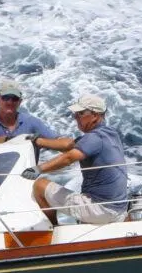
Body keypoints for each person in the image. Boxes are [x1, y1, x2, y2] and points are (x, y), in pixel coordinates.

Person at [32, 94, 130, 225]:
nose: (75, 117)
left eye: (80, 113)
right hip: (119, 210)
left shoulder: (94, 138)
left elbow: (68, 158)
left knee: (39, 185)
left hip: (101, 210)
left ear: (95, 115)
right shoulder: (110, 133)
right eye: (75, 114)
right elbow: (68, 145)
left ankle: (54, 229)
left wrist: (38, 169)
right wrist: (39, 141)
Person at [0, 80, 54, 146]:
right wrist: (22, 139)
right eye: (6, 97)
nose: (10, 102)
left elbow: (58, 140)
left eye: (14, 98)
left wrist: (39, 142)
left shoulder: (31, 121)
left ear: (20, 102)